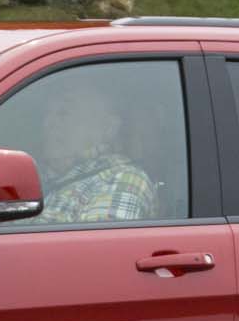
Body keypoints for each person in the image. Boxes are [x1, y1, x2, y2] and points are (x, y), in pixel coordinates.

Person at [34, 77, 157, 223]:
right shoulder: (39, 176)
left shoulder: (122, 178)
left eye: (64, 112)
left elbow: (101, 245)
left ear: (109, 128)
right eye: (47, 113)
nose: (48, 123)